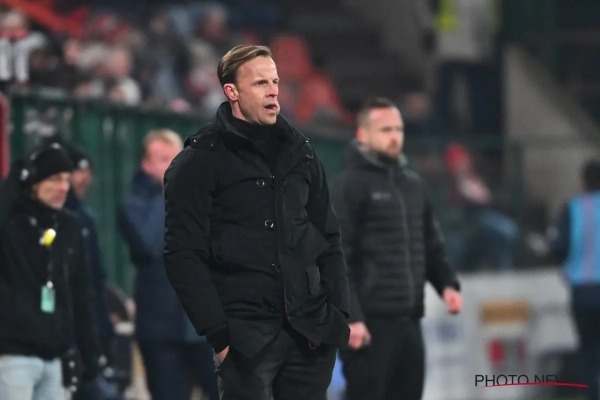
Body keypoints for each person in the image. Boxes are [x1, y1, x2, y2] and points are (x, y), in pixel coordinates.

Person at [163, 44, 350, 400]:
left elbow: (329, 236)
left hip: (309, 337)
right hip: (244, 342)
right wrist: (219, 335)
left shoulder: (302, 153)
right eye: (260, 83)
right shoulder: (198, 162)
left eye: (275, 81)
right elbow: (182, 254)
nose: (273, 91)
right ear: (232, 91)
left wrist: (337, 313)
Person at [330, 97, 463, 400]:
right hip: (369, 322)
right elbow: (337, 259)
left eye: (398, 129)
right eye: (385, 129)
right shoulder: (348, 186)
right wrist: (351, 317)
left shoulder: (413, 185)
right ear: (363, 135)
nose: (394, 136)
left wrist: (446, 284)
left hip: (409, 320)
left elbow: (429, 243)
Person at [118, 130, 218, 400]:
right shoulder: (133, 206)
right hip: (160, 329)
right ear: (146, 165)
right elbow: (150, 244)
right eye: (163, 159)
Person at [0, 141, 102, 399]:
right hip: (12, 355)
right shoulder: (10, 223)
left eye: (67, 180)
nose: (63, 187)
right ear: (33, 182)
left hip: (56, 356)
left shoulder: (69, 227)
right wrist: (16, 178)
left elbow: (81, 293)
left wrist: (90, 352)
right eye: (55, 179)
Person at [550, 159, 600, 400]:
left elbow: (559, 246)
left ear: (583, 182)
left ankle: (592, 394)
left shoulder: (573, 208)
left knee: (588, 349)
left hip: (583, 290)